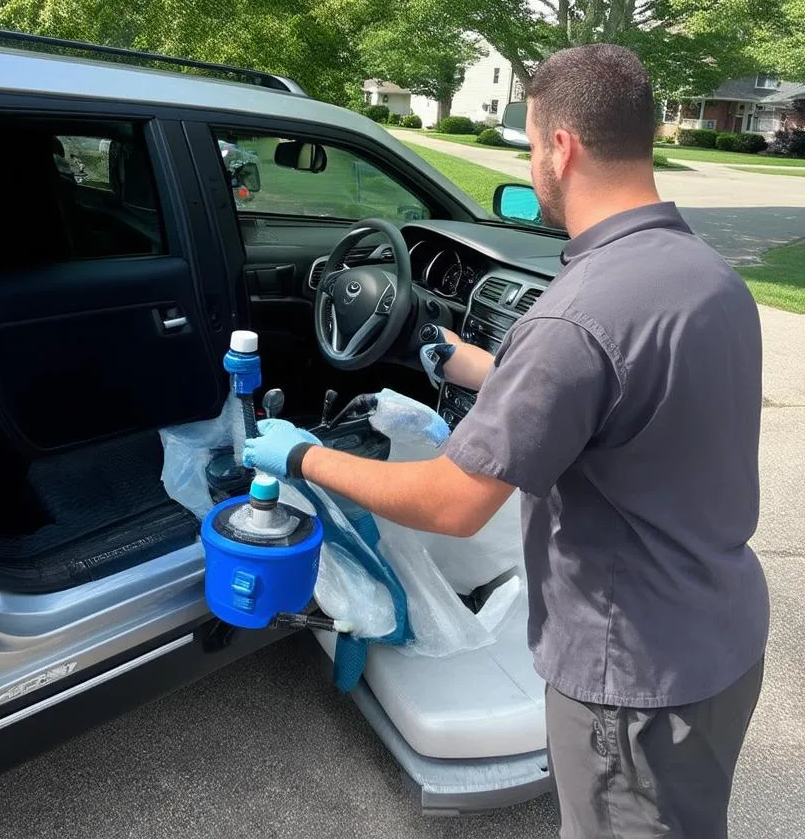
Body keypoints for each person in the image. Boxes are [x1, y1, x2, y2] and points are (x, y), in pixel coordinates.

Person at [243, 44, 769, 838]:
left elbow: (453, 504)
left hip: (631, 676)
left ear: (561, 145)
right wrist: (459, 359)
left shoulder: (577, 314)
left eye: (530, 144)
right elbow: (613, 400)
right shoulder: (703, 277)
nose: (533, 160)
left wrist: (303, 456)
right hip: (718, 631)